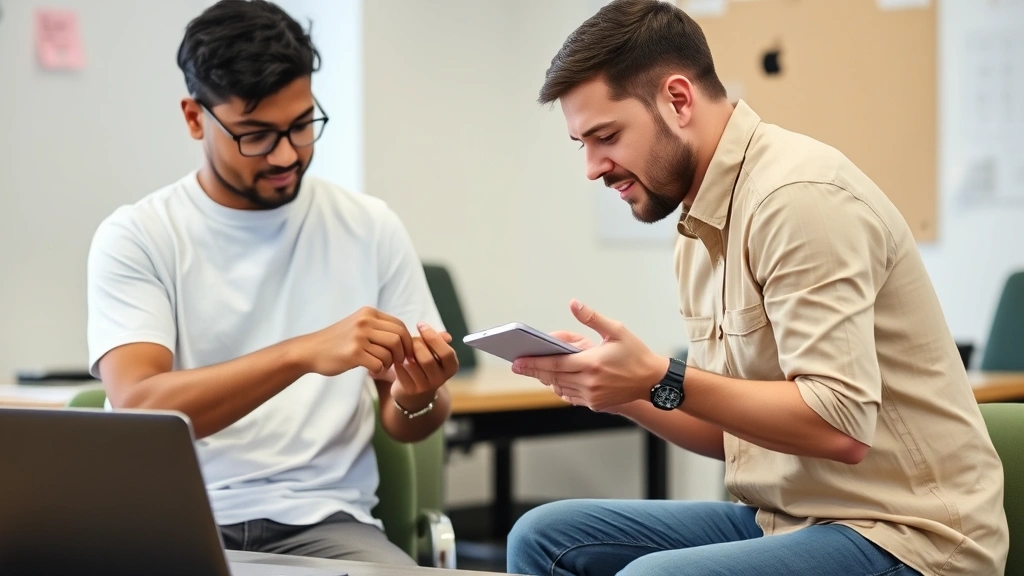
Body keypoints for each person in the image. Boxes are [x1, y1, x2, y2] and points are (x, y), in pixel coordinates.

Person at [505, 1, 1008, 575]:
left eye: (607, 136)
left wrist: (658, 376)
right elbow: (732, 433)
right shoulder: (699, 227)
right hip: (789, 515)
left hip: (907, 534)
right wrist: (623, 390)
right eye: (583, 145)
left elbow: (840, 425)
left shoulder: (798, 198)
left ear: (677, 99)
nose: (592, 167)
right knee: (542, 538)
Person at [86, 0, 457, 565]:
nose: (287, 155)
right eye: (255, 135)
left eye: (302, 125)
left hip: (327, 524)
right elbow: (140, 404)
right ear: (194, 118)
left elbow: (408, 423)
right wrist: (303, 353)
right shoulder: (139, 234)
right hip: (172, 520)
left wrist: (418, 394)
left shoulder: (368, 226)